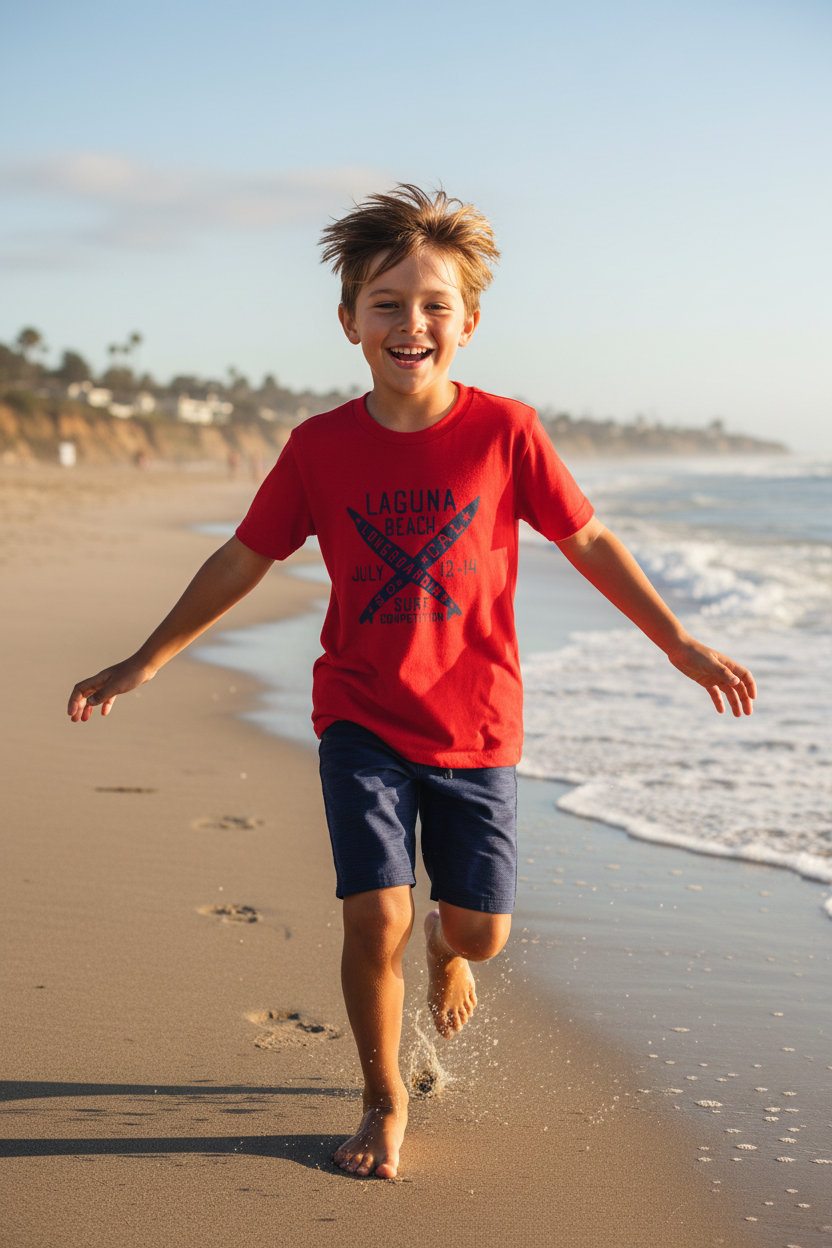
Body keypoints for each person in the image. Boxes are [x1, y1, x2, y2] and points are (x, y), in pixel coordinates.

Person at [68, 185, 756, 1181]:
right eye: (385, 302)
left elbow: (588, 537)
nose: (410, 323)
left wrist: (676, 643)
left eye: (434, 303)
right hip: (362, 714)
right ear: (348, 320)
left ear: (469, 322)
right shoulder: (318, 448)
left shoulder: (504, 433)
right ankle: (383, 1100)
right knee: (372, 913)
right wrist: (145, 658)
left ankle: (450, 948)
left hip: (476, 722)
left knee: (478, 927)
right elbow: (242, 557)